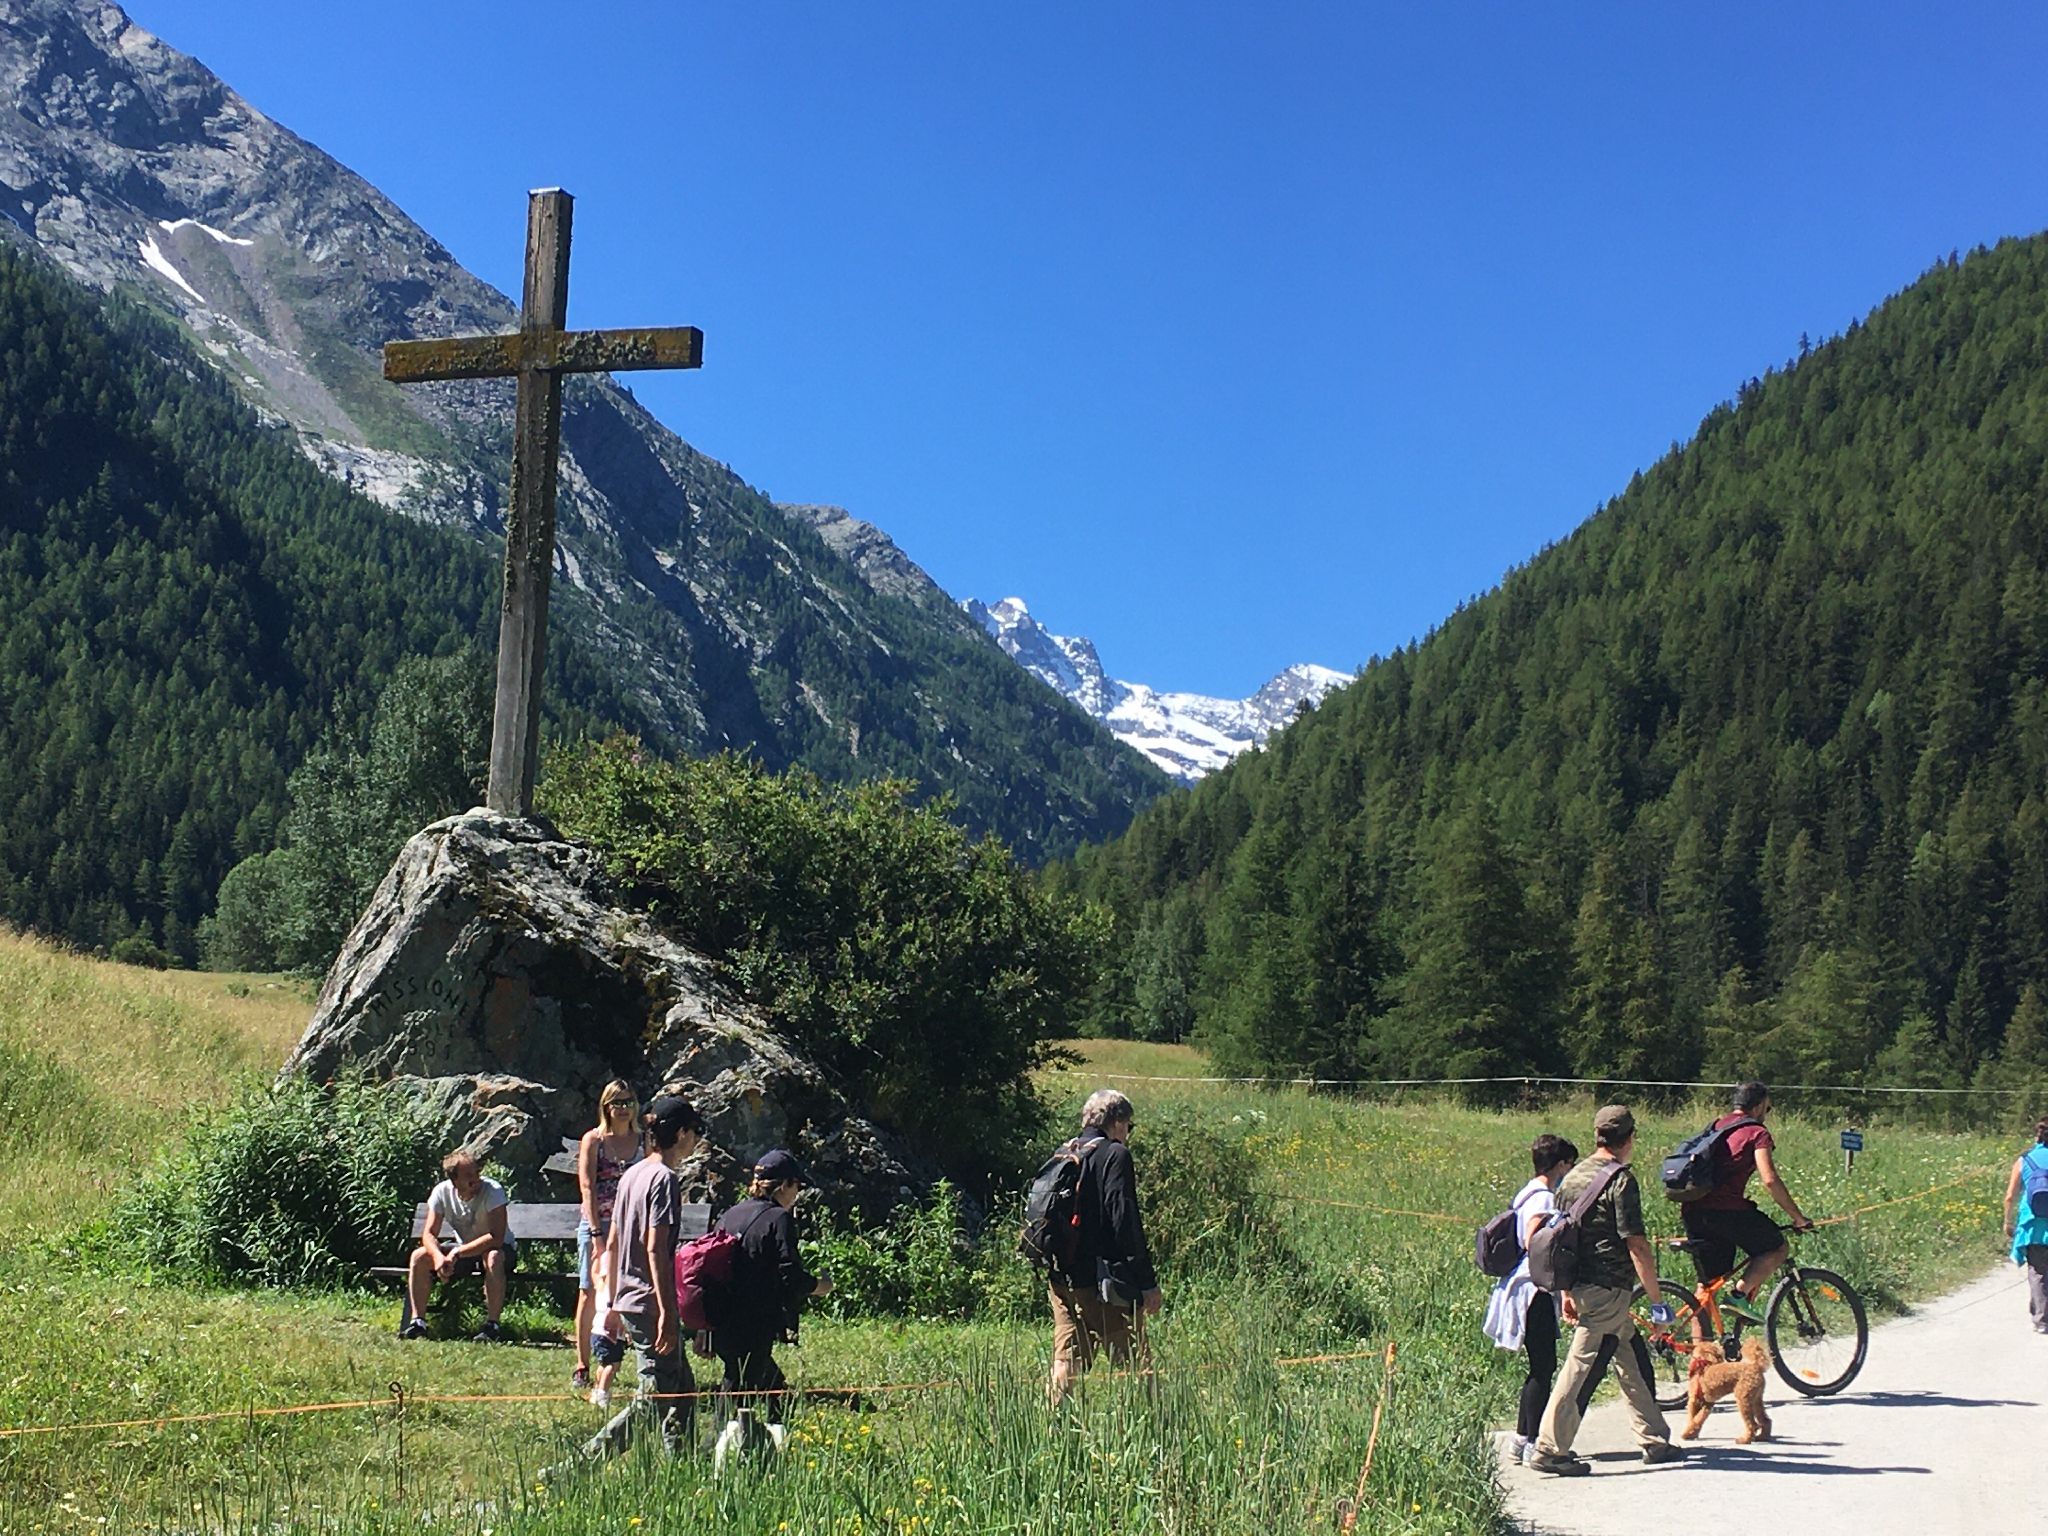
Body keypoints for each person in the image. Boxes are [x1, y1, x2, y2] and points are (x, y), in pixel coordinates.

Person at [1527, 1105, 1683, 1475]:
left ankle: (1655, 1439)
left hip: (1584, 1287)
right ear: (1629, 1138)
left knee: (1629, 1356)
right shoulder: (1620, 1181)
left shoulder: (1573, 1177)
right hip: (1608, 1289)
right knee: (1581, 1365)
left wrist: (1567, 1292)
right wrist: (1657, 1302)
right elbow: (1637, 1245)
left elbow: (1565, 1239)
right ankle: (1549, 1449)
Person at [578, 1093, 707, 1462]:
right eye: (694, 1132)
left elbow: (614, 1241)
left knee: (682, 1389)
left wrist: (612, 1300)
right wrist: (667, 1311)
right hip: (650, 1303)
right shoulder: (664, 1178)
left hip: (629, 1297)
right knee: (654, 1398)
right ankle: (580, 1465)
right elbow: (656, 1248)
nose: (696, 1140)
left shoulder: (633, 1174)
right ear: (681, 1134)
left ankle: (682, 1466)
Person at [1048, 1089, 1163, 1407]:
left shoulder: (1066, 1152)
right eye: (1129, 1126)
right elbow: (1123, 1219)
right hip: (1102, 1284)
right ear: (1118, 1121)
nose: (1127, 1134)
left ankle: (1052, 1425)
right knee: (1136, 1363)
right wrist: (1146, 1282)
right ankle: (1154, 1425)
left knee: (1066, 1361)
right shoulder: (1115, 1155)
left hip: (1062, 1278)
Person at [709, 1148, 832, 1424]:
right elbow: (790, 1274)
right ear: (784, 1185)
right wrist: (819, 1286)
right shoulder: (779, 1218)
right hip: (754, 1323)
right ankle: (714, 1447)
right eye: (796, 1186)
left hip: (722, 1320)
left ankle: (776, 1434)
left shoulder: (731, 1214)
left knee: (774, 1388)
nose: (797, 1194)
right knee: (737, 1394)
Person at [1679, 1081, 1814, 1325]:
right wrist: (1798, 1217)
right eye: (1767, 1109)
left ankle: (1699, 1346)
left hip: (1693, 1210)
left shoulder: (1716, 1126)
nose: (1766, 1114)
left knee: (1707, 1287)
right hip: (1725, 1210)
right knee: (1777, 1248)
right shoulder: (1756, 1133)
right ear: (1759, 1105)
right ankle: (1739, 1296)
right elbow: (1769, 1179)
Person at [1485, 1133, 1578, 1464]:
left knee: (1539, 1366)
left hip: (1525, 1285)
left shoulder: (1526, 1192)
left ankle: (1523, 1437)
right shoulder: (1543, 1199)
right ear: (1560, 1165)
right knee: (1543, 1366)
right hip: (1534, 1288)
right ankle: (1531, 1441)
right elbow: (1533, 1239)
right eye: (1569, 1164)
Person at [573, 1080, 645, 1391]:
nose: (623, 1108)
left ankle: (617, 1355)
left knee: (627, 1288)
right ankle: (582, 1364)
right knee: (590, 1290)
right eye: (617, 1103)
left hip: (631, 1225)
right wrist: (596, 1234)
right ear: (606, 1106)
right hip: (598, 1222)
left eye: (628, 1102)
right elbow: (587, 1186)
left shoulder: (643, 1140)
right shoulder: (594, 1139)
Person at [401, 1150, 517, 1341]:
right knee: (419, 1256)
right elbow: (429, 1234)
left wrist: (456, 1253)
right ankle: (418, 1323)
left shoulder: (493, 1191)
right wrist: (439, 1258)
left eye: (477, 1173)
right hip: (464, 1251)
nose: (476, 1179)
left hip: (500, 1249)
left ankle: (492, 1326)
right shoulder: (441, 1192)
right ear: (454, 1179)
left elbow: (496, 1237)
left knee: (493, 1257)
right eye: (469, 1176)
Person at [2001, 1118, 2048, 1334]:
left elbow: (2010, 1196)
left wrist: (2008, 1222)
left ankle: (2041, 1320)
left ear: (2037, 1135)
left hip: (2033, 1226)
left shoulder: (2025, 1160)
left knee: (2038, 1272)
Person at [585, 1241, 628, 1408]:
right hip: (610, 1332)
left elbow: (595, 1272)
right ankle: (603, 1392)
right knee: (613, 1365)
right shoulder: (615, 1291)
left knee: (603, 1363)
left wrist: (597, 1257)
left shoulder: (599, 1285)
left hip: (596, 1331)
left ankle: (597, 1390)